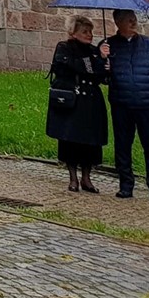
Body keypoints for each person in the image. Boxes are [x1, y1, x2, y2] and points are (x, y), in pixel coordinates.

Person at [104, 9, 149, 202]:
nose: (134, 23)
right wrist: (104, 62)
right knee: (122, 146)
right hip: (122, 104)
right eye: (129, 21)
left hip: (147, 105)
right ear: (118, 23)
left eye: (134, 20)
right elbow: (101, 77)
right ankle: (125, 185)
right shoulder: (109, 46)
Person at [45, 15, 110, 193]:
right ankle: (73, 177)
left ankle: (86, 178)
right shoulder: (64, 47)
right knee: (70, 140)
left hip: (91, 102)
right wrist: (91, 63)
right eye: (84, 31)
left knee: (90, 141)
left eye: (90, 32)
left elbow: (100, 77)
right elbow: (66, 66)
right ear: (73, 32)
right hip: (73, 101)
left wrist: (103, 60)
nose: (89, 35)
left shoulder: (94, 51)